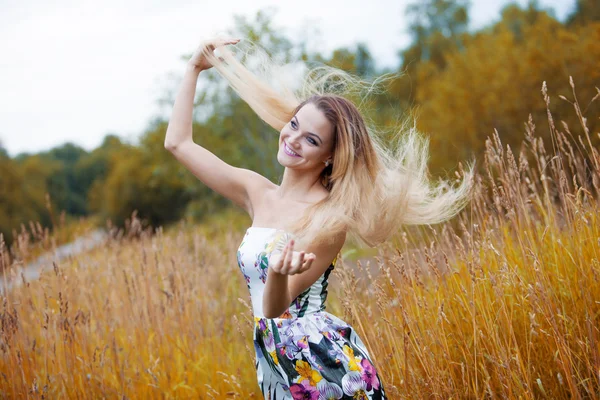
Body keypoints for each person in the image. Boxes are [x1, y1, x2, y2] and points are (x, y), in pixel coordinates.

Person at [164, 36, 474, 400]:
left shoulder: (329, 219)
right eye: (294, 125)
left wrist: (278, 273)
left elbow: (276, 308)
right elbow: (178, 144)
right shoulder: (256, 191)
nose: (293, 140)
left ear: (329, 157)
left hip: (319, 363)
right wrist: (193, 70)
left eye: (311, 140)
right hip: (274, 357)